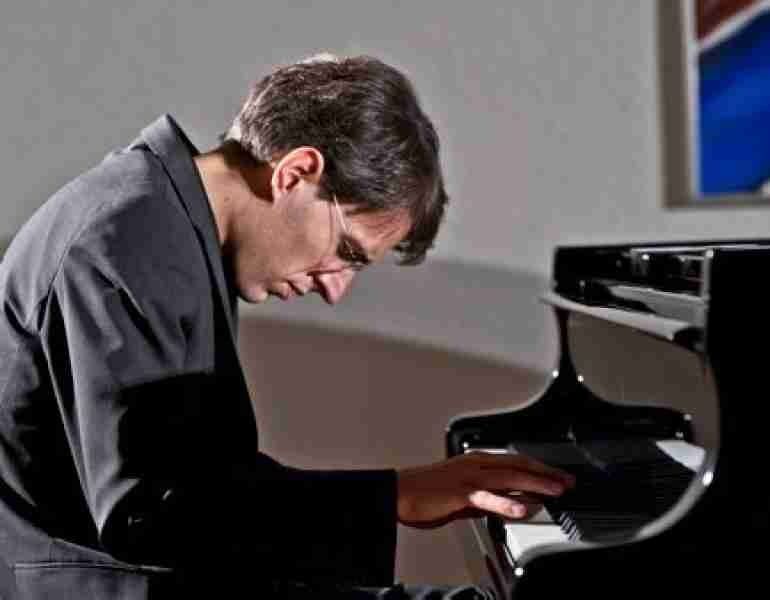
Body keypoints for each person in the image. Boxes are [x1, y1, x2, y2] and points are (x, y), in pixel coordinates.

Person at [0, 54, 574, 599]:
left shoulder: (160, 221)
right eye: (347, 252)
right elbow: (152, 514)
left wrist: (395, 493)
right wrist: (395, 496)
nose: (334, 290)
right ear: (296, 173)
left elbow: (202, 485)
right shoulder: (126, 240)